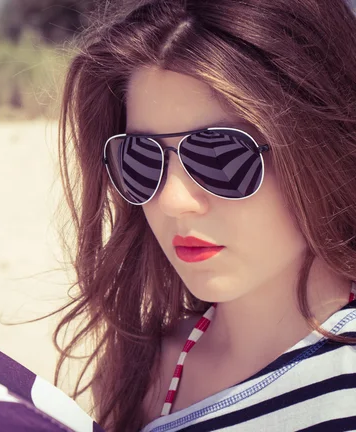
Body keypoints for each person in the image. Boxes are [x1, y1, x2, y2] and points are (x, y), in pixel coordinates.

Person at [52, 0, 356, 431]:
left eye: (220, 154)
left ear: (323, 148)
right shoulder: (138, 372)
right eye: (141, 158)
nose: (172, 200)